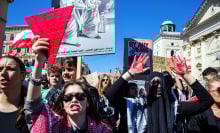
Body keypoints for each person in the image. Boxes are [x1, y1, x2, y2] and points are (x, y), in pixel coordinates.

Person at [105, 55, 214, 133]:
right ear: (147, 86)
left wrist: (186, 75)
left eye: (161, 83)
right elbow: (109, 95)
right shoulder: (135, 106)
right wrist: (129, 74)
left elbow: (207, 101)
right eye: (154, 83)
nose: (158, 87)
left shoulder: (175, 108)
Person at [24, 36, 112, 132]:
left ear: (88, 102)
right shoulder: (53, 123)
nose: (74, 100)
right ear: (62, 103)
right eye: (67, 97)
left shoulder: (101, 129)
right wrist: (39, 62)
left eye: (80, 96)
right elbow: (34, 109)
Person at [0, 56, 29, 133]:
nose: (3, 73)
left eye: (10, 69)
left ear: (23, 75)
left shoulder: (33, 110)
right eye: (0, 69)